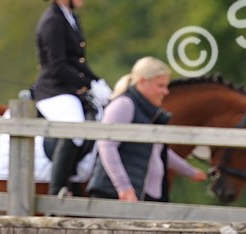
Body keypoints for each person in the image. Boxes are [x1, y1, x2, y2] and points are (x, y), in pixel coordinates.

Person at [87, 58, 207, 202]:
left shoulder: (147, 110)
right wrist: (123, 187)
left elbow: (158, 149)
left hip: (144, 194)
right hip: (122, 195)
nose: (166, 91)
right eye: (160, 86)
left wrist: (190, 172)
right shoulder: (124, 104)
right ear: (143, 82)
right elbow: (106, 145)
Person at [32, 0, 111, 197]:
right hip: (54, 90)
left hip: (71, 89)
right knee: (74, 128)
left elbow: (77, 62)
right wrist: (87, 84)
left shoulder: (71, 17)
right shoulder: (52, 21)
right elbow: (58, 66)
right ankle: (57, 189)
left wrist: (98, 81)